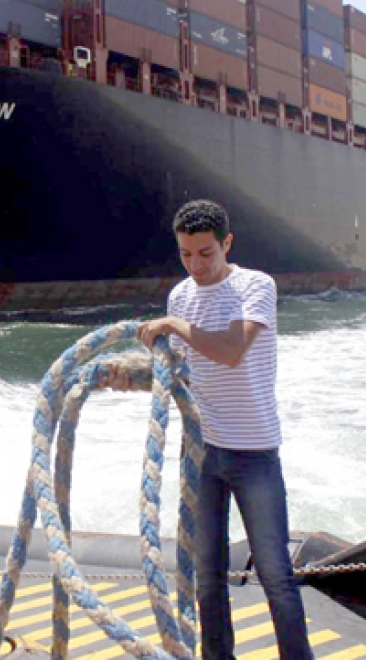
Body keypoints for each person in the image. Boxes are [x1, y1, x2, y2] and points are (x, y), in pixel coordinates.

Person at [137, 200, 313, 660]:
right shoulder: (180, 296)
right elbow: (180, 369)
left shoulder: (255, 286)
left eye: (206, 253)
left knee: (275, 575)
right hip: (201, 453)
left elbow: (232, 350)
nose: (195, 265)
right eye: (185, 254)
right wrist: (130, 371)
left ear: (227, 243)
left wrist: (175, 325)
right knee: (207, 577)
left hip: (254, 452)